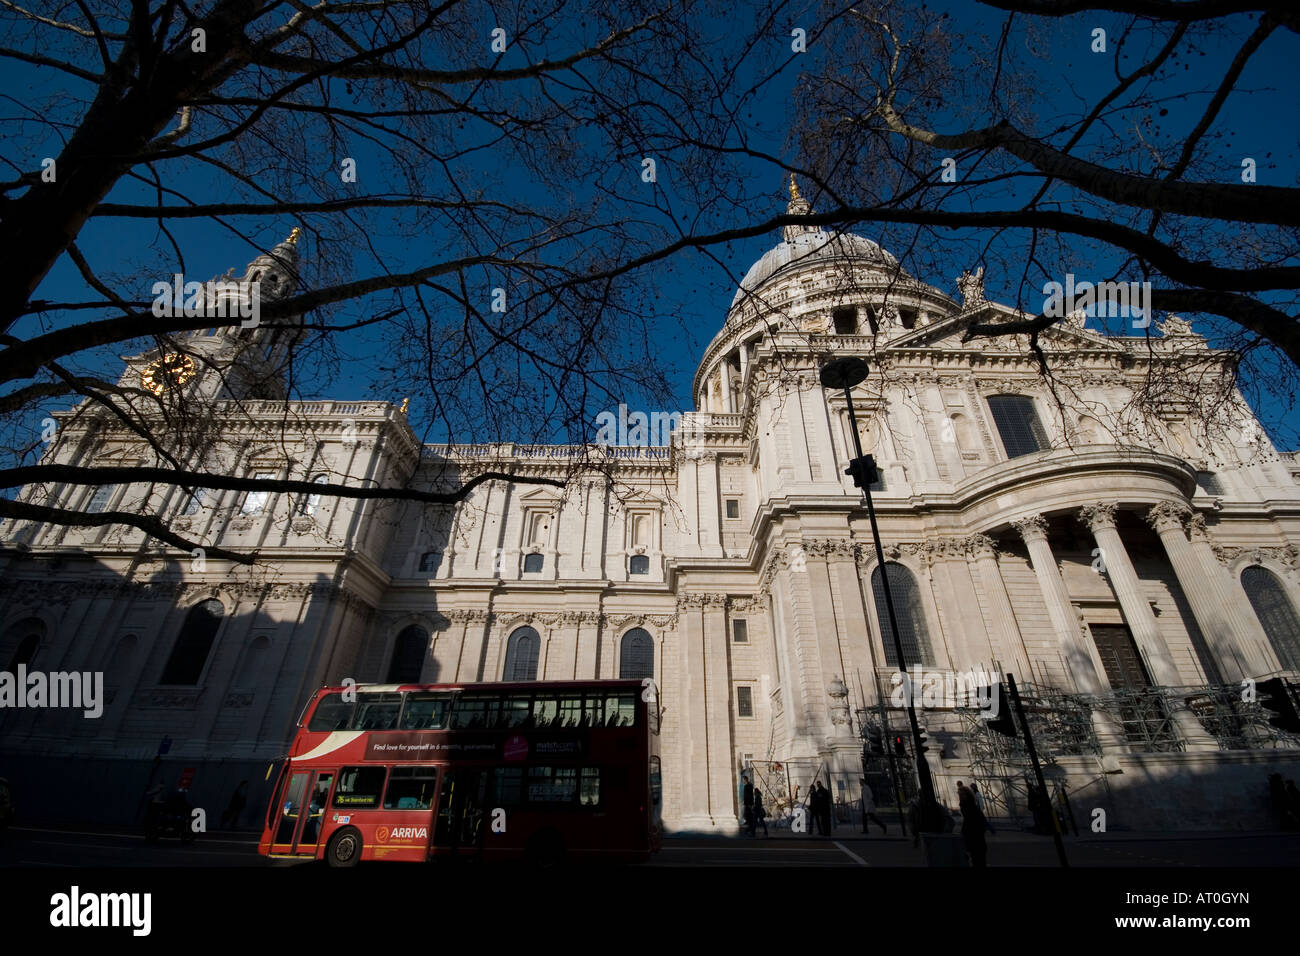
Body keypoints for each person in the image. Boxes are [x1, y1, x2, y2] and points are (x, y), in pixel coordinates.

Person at [957, 782, 988, 867]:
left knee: (978, 861)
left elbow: (971, 825)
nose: (959, 798)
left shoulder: (969, 808)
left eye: (960, 796)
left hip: (975, 843)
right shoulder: (969, 807)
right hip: (976, 843)